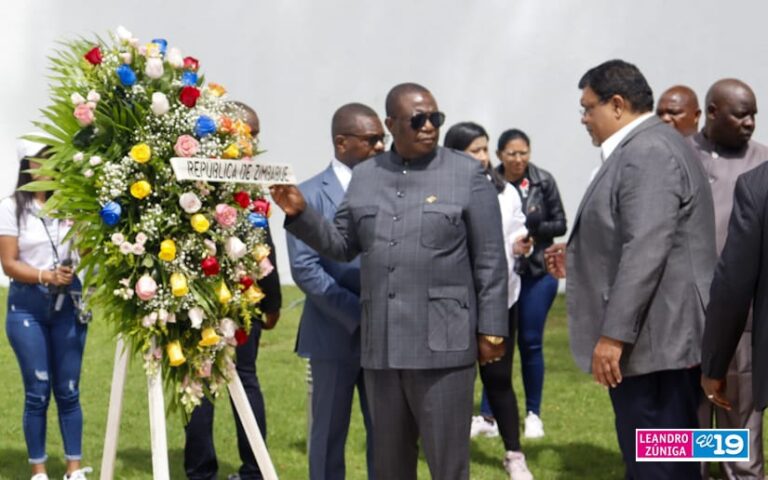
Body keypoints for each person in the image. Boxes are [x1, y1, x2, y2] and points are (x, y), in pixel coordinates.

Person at [270, 82, 508, 480]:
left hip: (443, 347)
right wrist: (300, 214)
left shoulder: (465, 173)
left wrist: (493, 331)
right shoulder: (366, 176)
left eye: (436, 118)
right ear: (391, 124)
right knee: (389, 467)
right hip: (382, 346)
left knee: (447, 466)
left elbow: (489, 260)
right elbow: (343, 244)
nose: (429, 126)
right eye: (418, 120)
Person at [545, 59, 716, 479]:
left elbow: (647, 247)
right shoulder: (647, 147)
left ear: (617, 104)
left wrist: (613, 335)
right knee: (658, 459)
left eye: (588, 108)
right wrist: (580, 253)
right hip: (659, 342)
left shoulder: (648, 152)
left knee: (660, 465)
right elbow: (636, 233)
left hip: (657, 345)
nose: (584, 118)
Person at [184, 102, 282, 480]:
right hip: (208, 300)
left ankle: (244, 469)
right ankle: (207, 469)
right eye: (248, 133)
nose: (254, 142)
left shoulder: (201, 175)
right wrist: (271, 300)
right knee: (204, 380)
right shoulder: (234, 179)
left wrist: (269, 300)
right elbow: (262, 245)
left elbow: (263, 246)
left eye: (256, 135)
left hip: (239, 299)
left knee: (233, 378)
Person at [287, 103, 383, 479]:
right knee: (327, 437)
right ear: (342, 142)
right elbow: (305, 269)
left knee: (387, 437)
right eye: (371, 140)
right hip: (332, 334)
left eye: (382, 139)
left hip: (384, 339)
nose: (379, 147)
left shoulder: (391, 188)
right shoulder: (307, 195)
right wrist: (358, 314)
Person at [444, 121, 533, 480]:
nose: (482, 158)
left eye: (484, 149)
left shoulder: (506, 192)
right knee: (453, 384)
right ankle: (449, 454)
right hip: (453, 306)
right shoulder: (443, 192)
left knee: (498, 379)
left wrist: (519, 243)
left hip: (500, 301)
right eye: (474, 151)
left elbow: (515, 231)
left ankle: (513, 453)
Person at [689, 78, 768, 479]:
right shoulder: (684, 155)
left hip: (746, 311)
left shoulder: (762, 162)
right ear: (713, 112)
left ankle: (741, 472)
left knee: (740, 404)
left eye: (754, 114)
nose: (751, 122)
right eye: (742, 114)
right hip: (690, 307)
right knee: (698, 407)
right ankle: (702, 469)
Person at [1, 139, 91, 480]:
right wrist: (45, 274)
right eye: (46, 160)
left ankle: (74, 468)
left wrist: (74, 259)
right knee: (38, 391)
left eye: (58, 159)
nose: (53, 165)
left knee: (69, 389)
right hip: (28, 306)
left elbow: (86, 249)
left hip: (67, 302)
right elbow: (9, 264)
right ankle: (39, 470)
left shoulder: (71, 204)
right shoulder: (11, 207)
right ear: (30, 165)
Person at [489, 128, 566, 440]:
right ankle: (489, 414)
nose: (518, 159)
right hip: (503, 274)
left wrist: (535, 226)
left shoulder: (542, 181)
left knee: (531, 341)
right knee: (496, 344)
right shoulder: (490, 182)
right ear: (500, 156)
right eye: (512, 154)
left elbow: (560, 222)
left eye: (523, 153)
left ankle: (533, 413)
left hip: (536, 273)